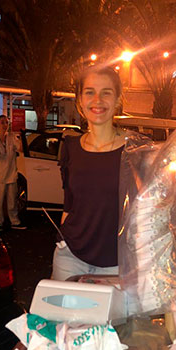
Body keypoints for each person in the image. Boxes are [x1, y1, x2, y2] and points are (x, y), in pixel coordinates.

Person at [52, 66, 127, 281]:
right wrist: (62, 240)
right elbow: (69, 205)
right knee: (63, 305)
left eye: (106, 92)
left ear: (117, 99)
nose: (97, 100)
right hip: (70, 257)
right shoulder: (71, 147)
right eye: (89, 92)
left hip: (118, 262)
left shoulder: (135, 151)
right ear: (80, 100)